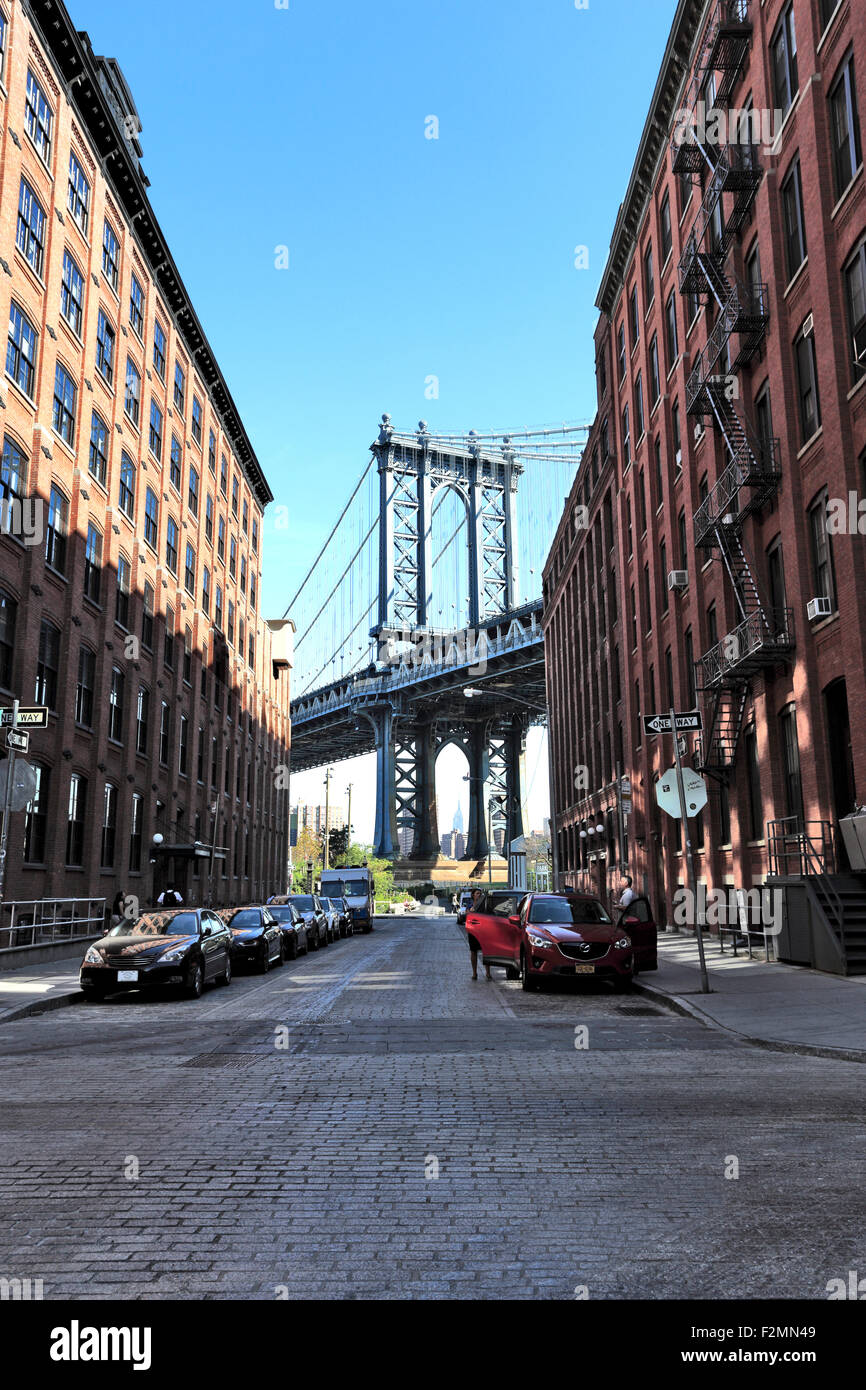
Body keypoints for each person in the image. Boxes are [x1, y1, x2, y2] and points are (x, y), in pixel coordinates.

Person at [466, 888, 491, 982]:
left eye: (480, 893)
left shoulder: (485, 904)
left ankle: (488, 973)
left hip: (484, 931)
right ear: (473, 895)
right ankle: (474, 973)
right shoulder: (470, 904)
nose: (479, 895)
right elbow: (467, 913)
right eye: (477, 893)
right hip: (472, 931)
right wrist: (470, 911)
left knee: (486, 951)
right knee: (473, 952)